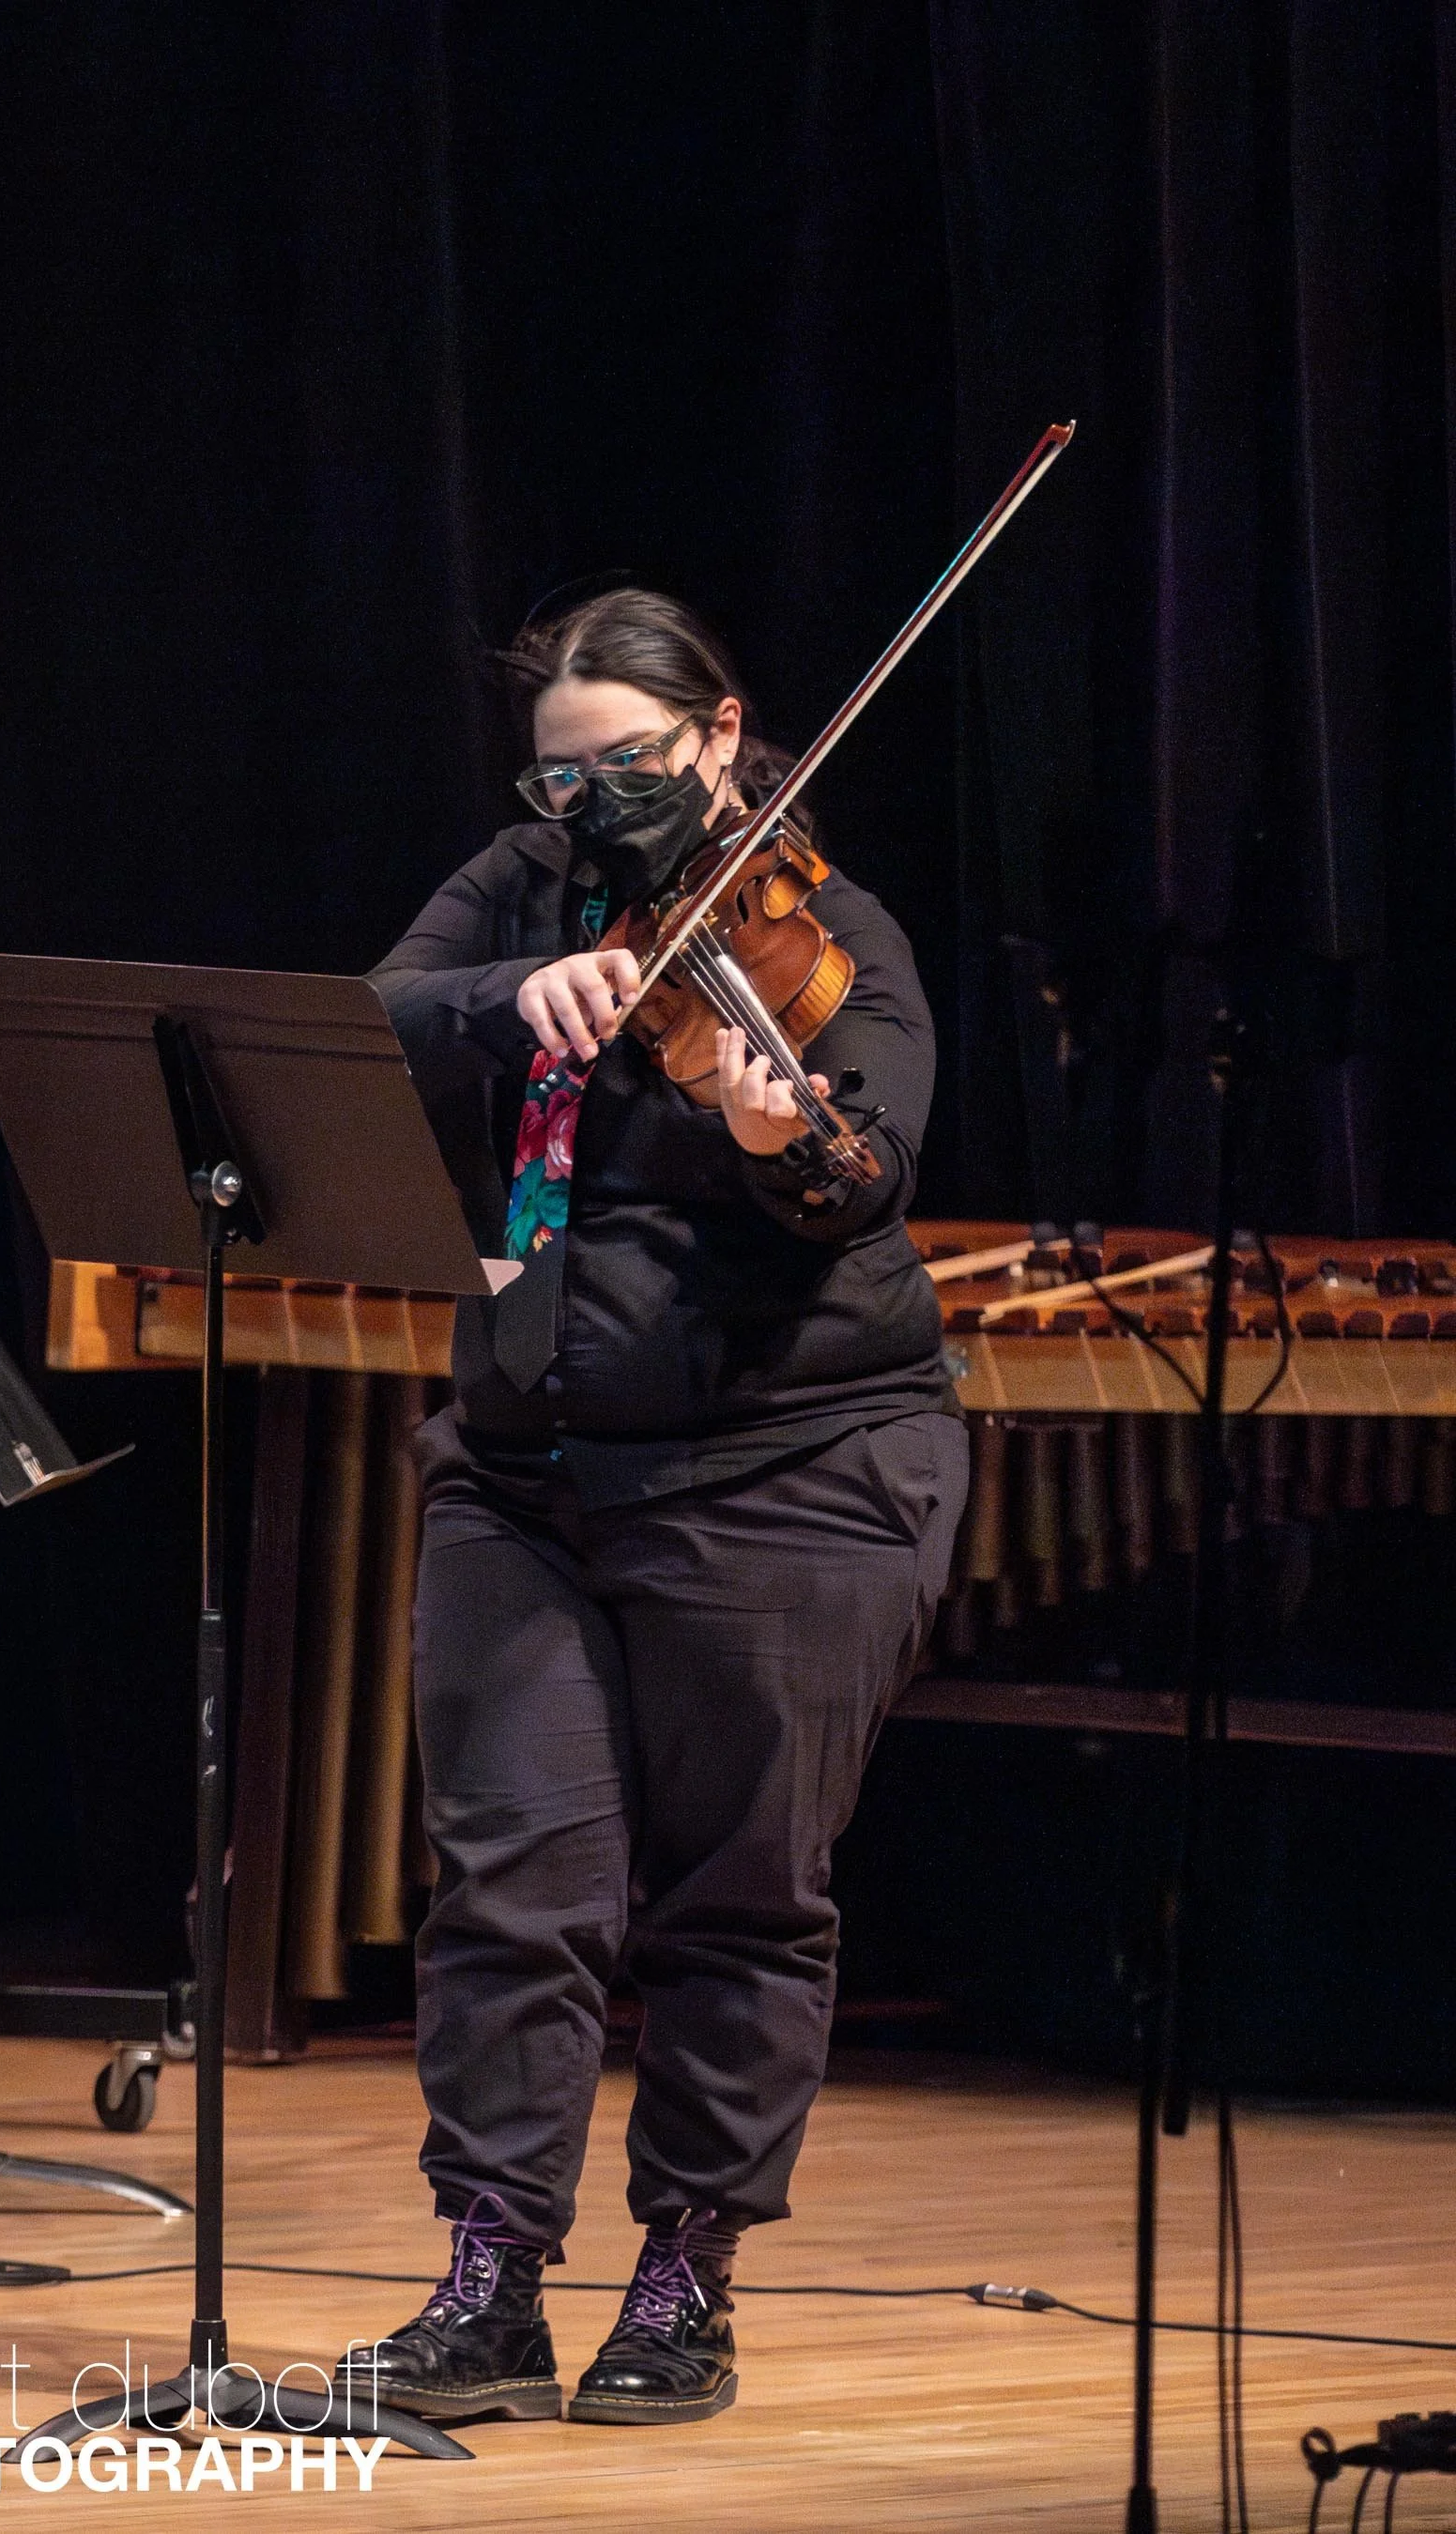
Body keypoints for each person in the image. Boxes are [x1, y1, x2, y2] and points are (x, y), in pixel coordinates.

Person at [359, 588, 968, 2428]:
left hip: (789, 1467)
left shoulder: (832, 932)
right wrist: (506, 997)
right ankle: (489, 2281)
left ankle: (686, 2276)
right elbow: (379, 1015)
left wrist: (788, 1139)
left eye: (628, 764)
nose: (593, 803)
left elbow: (862, 1171)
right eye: (562, 775)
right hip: (527, 1465)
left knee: (738, 1893)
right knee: (510, 1881)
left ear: (717, 739)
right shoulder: (517, 884)